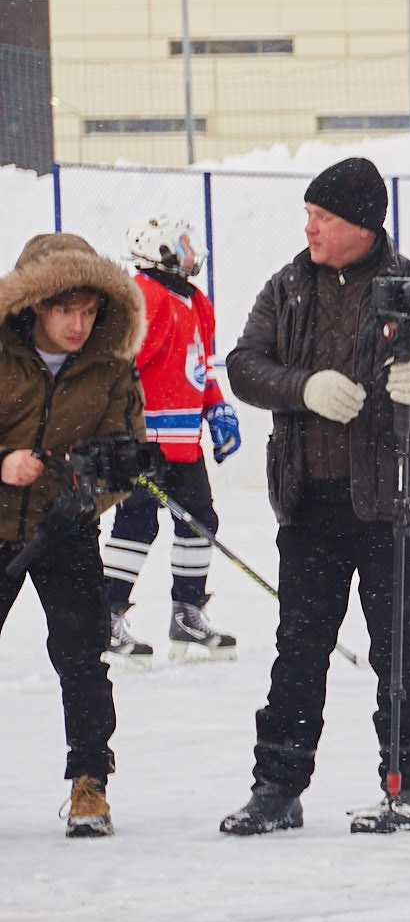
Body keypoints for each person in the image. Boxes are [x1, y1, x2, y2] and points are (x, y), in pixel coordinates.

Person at [219, 157, 410, 835]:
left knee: (397, 644)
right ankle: (277, 785)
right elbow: (245, 365)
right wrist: (302, 386)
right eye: (310, 215)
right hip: (309, 498)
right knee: (298, 644)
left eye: (323, 217)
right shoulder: (288, 287)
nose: (310, 227)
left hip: (394, 500)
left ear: (362, 224)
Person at [1, 234, 149, 837]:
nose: (78, 325)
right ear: (35, 304)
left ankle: (90, 783)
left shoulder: (111, 367)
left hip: (67, 529)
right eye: (66, 310)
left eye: (89, 311)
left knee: (82, 658)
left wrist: (94, 485)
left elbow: (126, 451)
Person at [100, 214, 242, 661]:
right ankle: (105, 617)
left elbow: (198, 368)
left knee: (200, 521)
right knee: (136, 525)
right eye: (182, 244)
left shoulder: (191, 301)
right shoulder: (147, 298)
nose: (191, 251)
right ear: (159, 252)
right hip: (147, 442)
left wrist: (216, 406)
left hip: (184, 444)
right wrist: (122, 432)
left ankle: (186, 615)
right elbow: (118, 368)